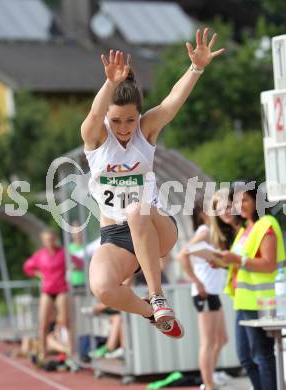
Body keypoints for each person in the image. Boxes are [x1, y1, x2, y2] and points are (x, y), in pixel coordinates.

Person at [81, 27, 224, 338]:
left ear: (139, 115)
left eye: (130, 120)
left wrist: (196, 67)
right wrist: (109, 82)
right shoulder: (95, 138)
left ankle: (158, 295)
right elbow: (93, 113)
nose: (123, 128)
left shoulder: (145, 132)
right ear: (107, 116)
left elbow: (172, 102)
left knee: (135, 210)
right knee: (102, 288)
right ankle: (154, 314)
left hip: (156, 227)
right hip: (115, 235)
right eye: (116, 120)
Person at [218, 184, 286, 390]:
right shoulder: (246, 229)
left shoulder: (266, 223)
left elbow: (268, 264)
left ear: (258, 200)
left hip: (261, 301)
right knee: (246, 359)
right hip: (243, 301)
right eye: (237, 201)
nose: (240, 205)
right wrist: (222, 261)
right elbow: (240, 262)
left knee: (261, 357)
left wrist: (237, 260)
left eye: (245, 200)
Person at [178, 192, 239, 390]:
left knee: (222, 339)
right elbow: (181, 256)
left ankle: (210, 376)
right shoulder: (204, 231)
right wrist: (197, 282)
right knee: (208, 341)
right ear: (202, 215)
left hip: (212, 291)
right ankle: (208, 384)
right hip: (204, 291)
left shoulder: (214, 233)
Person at [23, 229, 83, 363]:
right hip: (47, 290)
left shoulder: (63, 253)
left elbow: (79, 263)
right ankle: (42, 353)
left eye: (51, 239)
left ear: (55, 239)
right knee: (43, 322)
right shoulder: (40, 255)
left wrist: (72, 268)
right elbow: (27, 267)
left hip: (62, 289)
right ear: (43, 241)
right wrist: (38, 274)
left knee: (66, 321)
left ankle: (72, 352)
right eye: (46, 240)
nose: (49, 242)